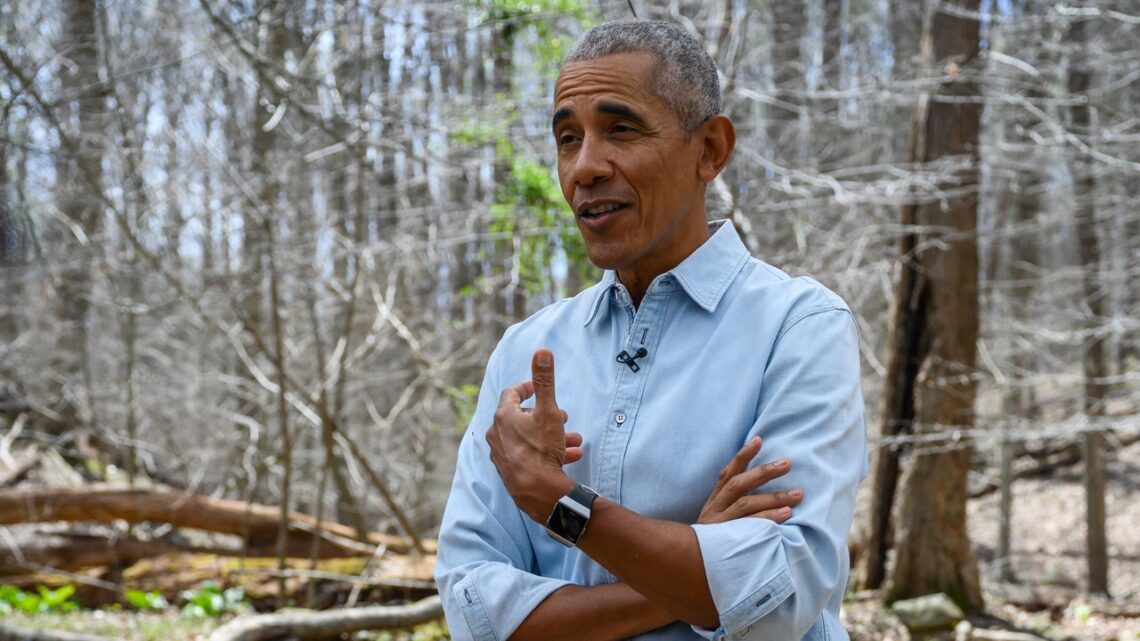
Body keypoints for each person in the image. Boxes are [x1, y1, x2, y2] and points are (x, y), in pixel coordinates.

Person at [435, 19, 867, 641]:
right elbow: (474, 612)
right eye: (566, 138)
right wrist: (694, 572)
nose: (584, 167)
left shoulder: (799, 329)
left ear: (710, 150)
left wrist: (560, 502)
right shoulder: (525, 354)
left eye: (621, 129)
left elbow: (778, 603)